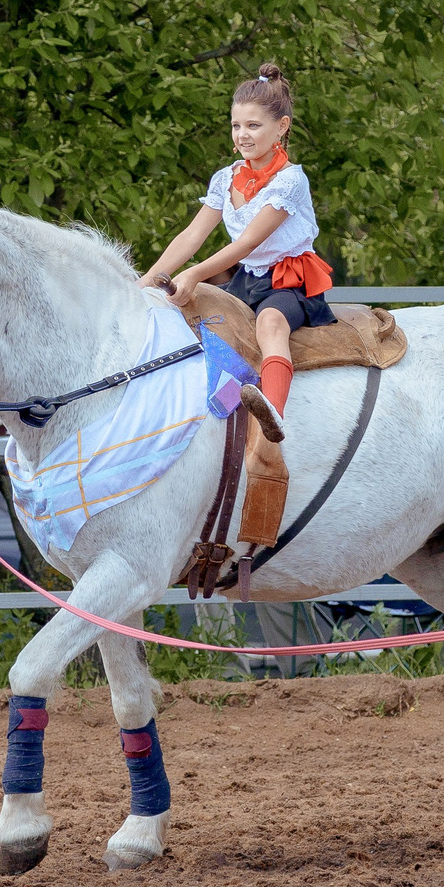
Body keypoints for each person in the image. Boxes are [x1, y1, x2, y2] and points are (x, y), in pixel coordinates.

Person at [139, 62, 335, 540]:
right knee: (194, 318)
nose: (243, 135)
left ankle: (271, 427)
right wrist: (150, 280)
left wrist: (196, 273)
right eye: (236, 125)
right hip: (245, 279)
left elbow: (247, 243)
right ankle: (212, 411)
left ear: (281, 127)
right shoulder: (226, 177)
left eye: (254, 125)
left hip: (288, 281)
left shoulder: (291, 180)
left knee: (270, 324)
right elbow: (193, 233)